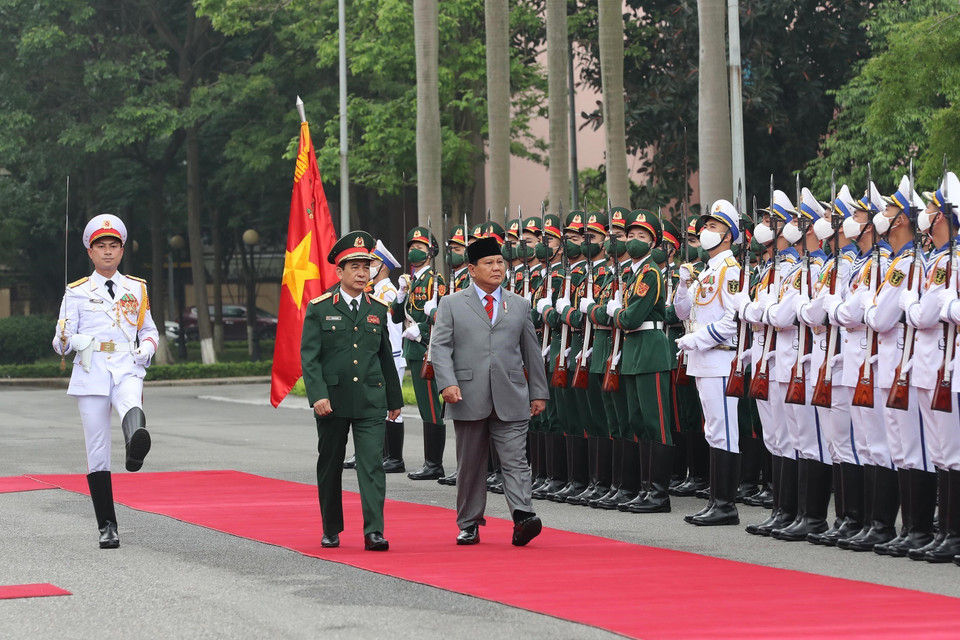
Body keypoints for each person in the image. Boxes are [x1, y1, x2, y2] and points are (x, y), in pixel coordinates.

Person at [431, 236, 550, 546]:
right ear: (472, 269)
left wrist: (539, 392)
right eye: (489, 263)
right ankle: (469, 522)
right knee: (470, 464)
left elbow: (531, 352)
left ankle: (523, 516)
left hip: (511, 394)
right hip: (466, 394)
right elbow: (440, 347)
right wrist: (447, 382)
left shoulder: (519, 304)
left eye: (500, 262)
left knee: (516, 460)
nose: (497, 268)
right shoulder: (452, 303)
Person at [52, 214, 158, 549]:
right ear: (90, 252)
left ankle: (134, 450)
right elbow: (61, 344)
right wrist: (65, 338)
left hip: (127, 364)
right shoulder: (77, 292)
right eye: (101, 247)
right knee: (97, 449)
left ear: (122, 250)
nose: (108, 252)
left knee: (131, 403)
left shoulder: (136, 289)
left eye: (114, 246)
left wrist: (147, 347)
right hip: (91, 369)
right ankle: (107, 525)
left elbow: (150, 330)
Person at [301, 231, 404, 551]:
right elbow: (310, 357)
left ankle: (374, 530)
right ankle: (331, 527)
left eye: (366, 267)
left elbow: (385, 355)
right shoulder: (319, 308)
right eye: (355, 267)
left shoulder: (377, 308)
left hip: (371, 400)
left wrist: (394, 399)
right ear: (339, 271)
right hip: (331, 400)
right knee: (330, 464)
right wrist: (317, 395)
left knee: (372, 464)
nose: (362, 273)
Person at [392, 227, 447, 480]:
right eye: (412, 247)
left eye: (420, 247)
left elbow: (442, 318)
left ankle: (434, 463)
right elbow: (395, 316)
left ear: (431, 251)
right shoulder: (412, 281)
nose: (414, 251)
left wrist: (422, 331)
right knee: (425, 406)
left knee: (431, 405)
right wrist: (401, 294)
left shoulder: (436, 281)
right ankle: (430, 462)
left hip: (427, 348)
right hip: (413, 348)